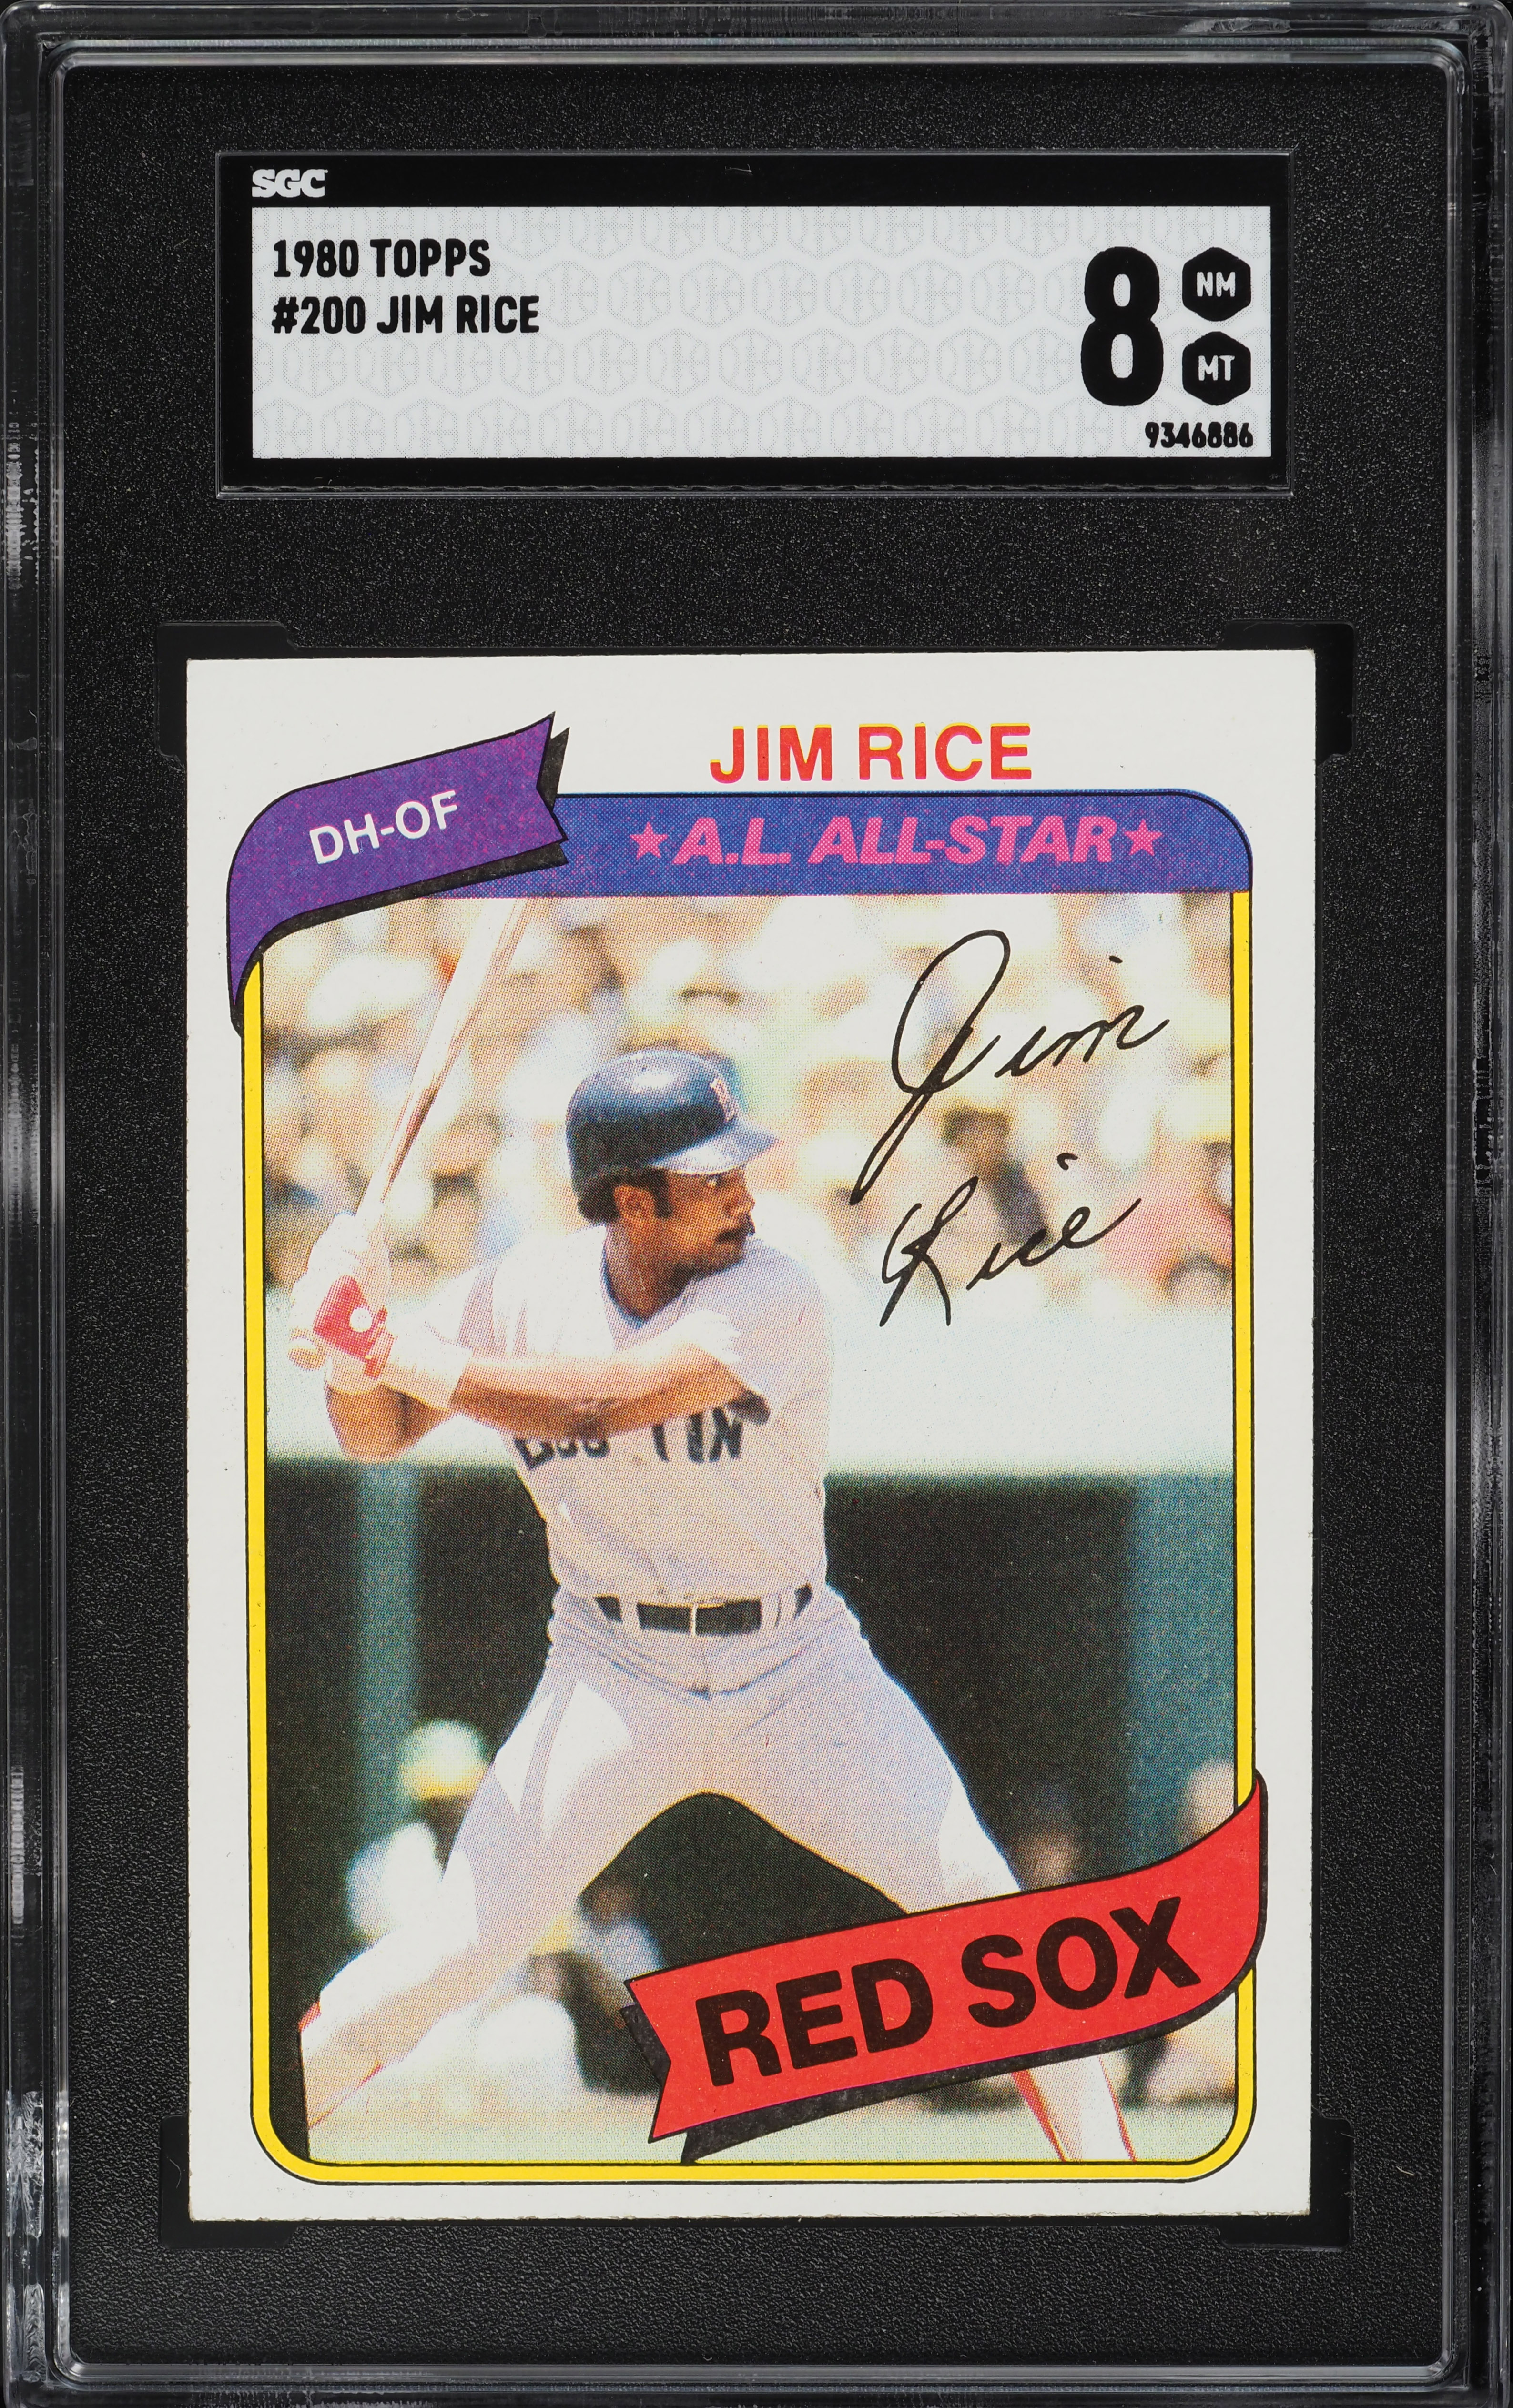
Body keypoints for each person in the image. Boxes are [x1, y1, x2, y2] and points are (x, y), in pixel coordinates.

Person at [290, 1047, 1133, 2162]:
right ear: (631, 1201)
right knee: (453, 1948)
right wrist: (349, 1358)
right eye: (711, 1177)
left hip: (795, 1667)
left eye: (739, 1169)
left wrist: (385, 1341)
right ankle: (245, 2133)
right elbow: (378, 1436)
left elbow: (599, 1403)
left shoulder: (774, 1290)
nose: (743, 1194)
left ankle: (1118, 2190)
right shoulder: (514, 1294)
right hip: (613, 1669)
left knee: (983, 1902)